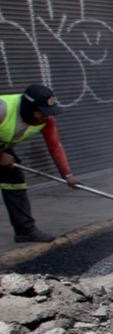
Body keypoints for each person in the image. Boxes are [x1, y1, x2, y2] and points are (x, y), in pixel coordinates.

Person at [0, 85, 79, 243]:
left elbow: (55, 146)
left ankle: (25, 230)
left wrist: (67, 174)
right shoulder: (3, 109)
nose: (46, 117)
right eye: (42, 112)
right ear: (29, 108)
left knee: (15, 181)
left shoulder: (46, 120)